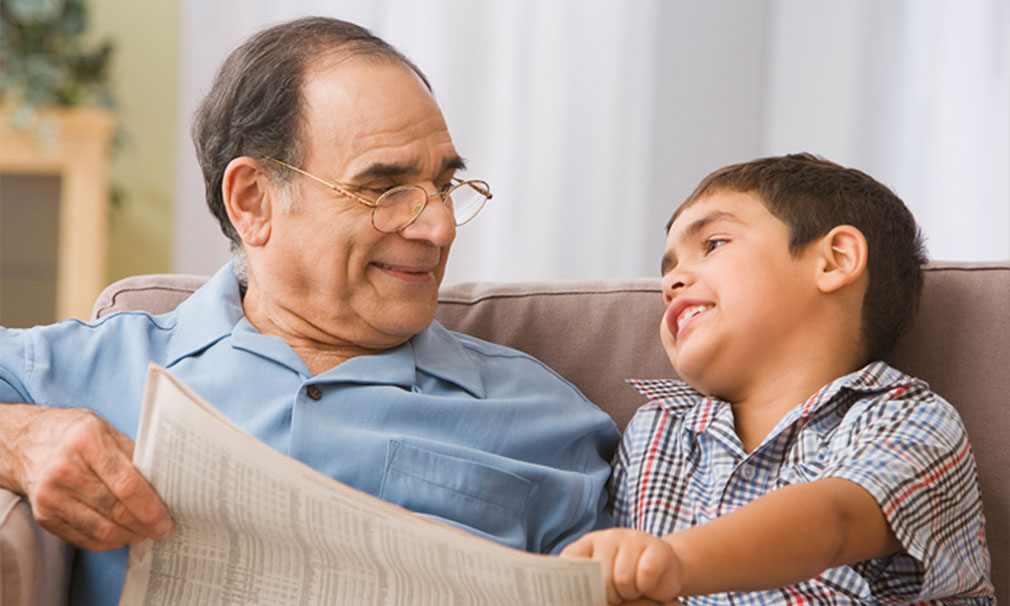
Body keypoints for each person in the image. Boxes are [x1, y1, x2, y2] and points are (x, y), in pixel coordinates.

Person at [0, 17, 618, 604]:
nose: (439, 225)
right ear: (253, 202)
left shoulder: (551, 424)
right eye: (384, 188)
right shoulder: (93, 366)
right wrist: (24, 440)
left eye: (445, 186)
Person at [561, 153, 994, 604]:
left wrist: (672, 563)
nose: (672, 282)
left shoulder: (911, 419)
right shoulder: (655, 432)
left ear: (834, 261)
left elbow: (834, 522)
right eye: (667, 271)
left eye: (713, 244)